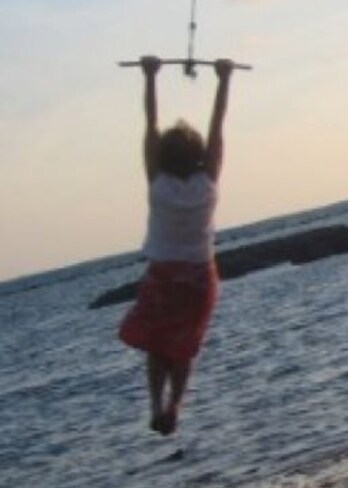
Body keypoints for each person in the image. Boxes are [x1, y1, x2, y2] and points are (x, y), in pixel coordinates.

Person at [119, 55, 234, 436]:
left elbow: (149, 124)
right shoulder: (208, 183)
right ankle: (176, 405)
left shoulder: (158, 184)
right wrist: (223, 78)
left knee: (157, 344)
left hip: (165, 273)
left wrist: (150, 77)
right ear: (198, 154)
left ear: (164, 157)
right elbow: (218, 126)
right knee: (184, 347)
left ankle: (156, 403)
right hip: (200, 275)